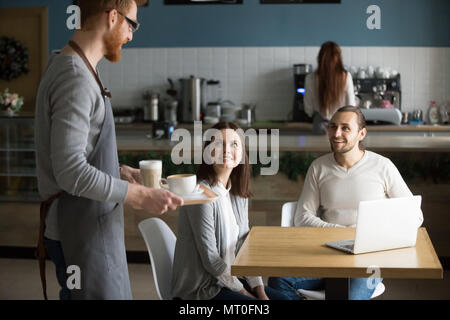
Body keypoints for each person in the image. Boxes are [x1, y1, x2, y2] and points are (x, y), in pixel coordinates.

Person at [34, 0, 183, 300]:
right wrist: (140, 196)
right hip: (77, 233)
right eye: (132, 24)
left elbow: (77, 155)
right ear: (113, 17)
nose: (131, 35)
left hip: (88, 227)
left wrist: (120, 172)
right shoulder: (75, 77)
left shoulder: (74, 66)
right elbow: (70, 171)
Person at [268, 106, 423, 300]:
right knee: (279, 280)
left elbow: (415, 215)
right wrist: (339, 231)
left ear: (361, 133)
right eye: (333, 127)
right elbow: (302, 216)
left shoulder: (383, 166)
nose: (336, 133)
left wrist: (375, 234)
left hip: (370, 264)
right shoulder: (318, 167)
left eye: (345, 128)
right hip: (326, 256)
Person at [171, 122, 286, 300]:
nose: (226, 150)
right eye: (218, 143)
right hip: (204, 290)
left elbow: (244, 247)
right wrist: (246, 293)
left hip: (232, 281)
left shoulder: (238, 193)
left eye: (234, 144)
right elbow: (211, 259)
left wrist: (260, 291)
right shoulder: (200, 194)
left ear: (241, 154)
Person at [304, 41, 356, 134]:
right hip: (342, 126)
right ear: (339, 58)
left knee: (316, 148)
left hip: (319, 126)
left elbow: (308, 109)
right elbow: (351, 105)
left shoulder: (310, 78)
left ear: (320, 58)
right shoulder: (346, 77)